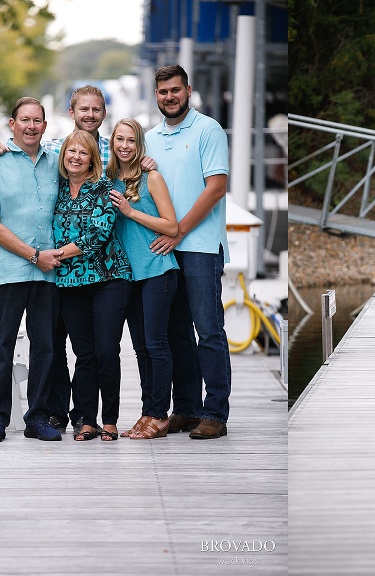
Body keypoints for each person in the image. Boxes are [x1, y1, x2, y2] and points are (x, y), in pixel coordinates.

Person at [0, 86, 154, 434]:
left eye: (96, 109)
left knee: (82, 349)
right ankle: (32, 415)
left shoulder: (104, 168)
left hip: (89, 273)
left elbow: (100, 228)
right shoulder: (47, 158)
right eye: (25, 121)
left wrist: (146, 161)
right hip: (51, 274)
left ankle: (86, 418)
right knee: (35, 347)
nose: (76, 156)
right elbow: (21, 154)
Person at [145, 64, 231, 439]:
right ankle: (187, 408)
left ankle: (215, 413)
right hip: (164, 250)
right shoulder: (149, 138)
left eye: (176, 90)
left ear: (188, 90)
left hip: (200, 247)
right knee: (176, 331)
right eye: (163, 91)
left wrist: (178, 231)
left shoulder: (208, 130)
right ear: (156, 95)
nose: (170, 97)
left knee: (208, 330)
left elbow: (216, 188)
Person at [0, 97, 62, 443]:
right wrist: (34, 255)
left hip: (46, 273)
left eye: (37, 121)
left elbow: (90, 160)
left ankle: (37, 418)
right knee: (1, 346)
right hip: (6, 270)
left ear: (45, 125)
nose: (31, 126)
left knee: (45, 347)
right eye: (24, 120)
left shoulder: (56, 162)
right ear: (12, 124)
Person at [52, 130, 133, 441]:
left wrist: (55, 255)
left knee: (106, 351)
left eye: (83, 153)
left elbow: (96, 237)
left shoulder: (104, 188)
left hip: (108, 279)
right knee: (83, 353)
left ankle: (109, 419)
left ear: (92, 160)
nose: (76, 157)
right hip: (70, 283)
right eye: (71, 151)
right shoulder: (57, 189)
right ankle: (87, 419)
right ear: (63, 156)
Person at [107, 118, 179, 439]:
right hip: (129, 276)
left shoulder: (152, 177)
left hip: (157, 269)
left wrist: (131, 212)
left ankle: (159, 415)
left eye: (131, 140)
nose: (125, 146)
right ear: (112, 143)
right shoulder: (108, 180)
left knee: (156, 344)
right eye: (119, 140)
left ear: (139, 145)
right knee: (140, 349)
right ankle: (147, 412)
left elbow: (171, 226)